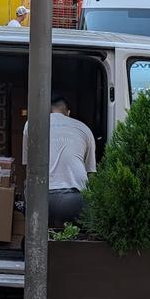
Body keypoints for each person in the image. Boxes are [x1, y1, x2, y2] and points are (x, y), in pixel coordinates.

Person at [22, 93, 96, 228]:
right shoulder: (84, 129)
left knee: (38, 234)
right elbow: (90, 173)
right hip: (75, 200)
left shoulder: (31, 124)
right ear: (68, 112)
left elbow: (28, 166)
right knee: (73, 236)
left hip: (41, 198)